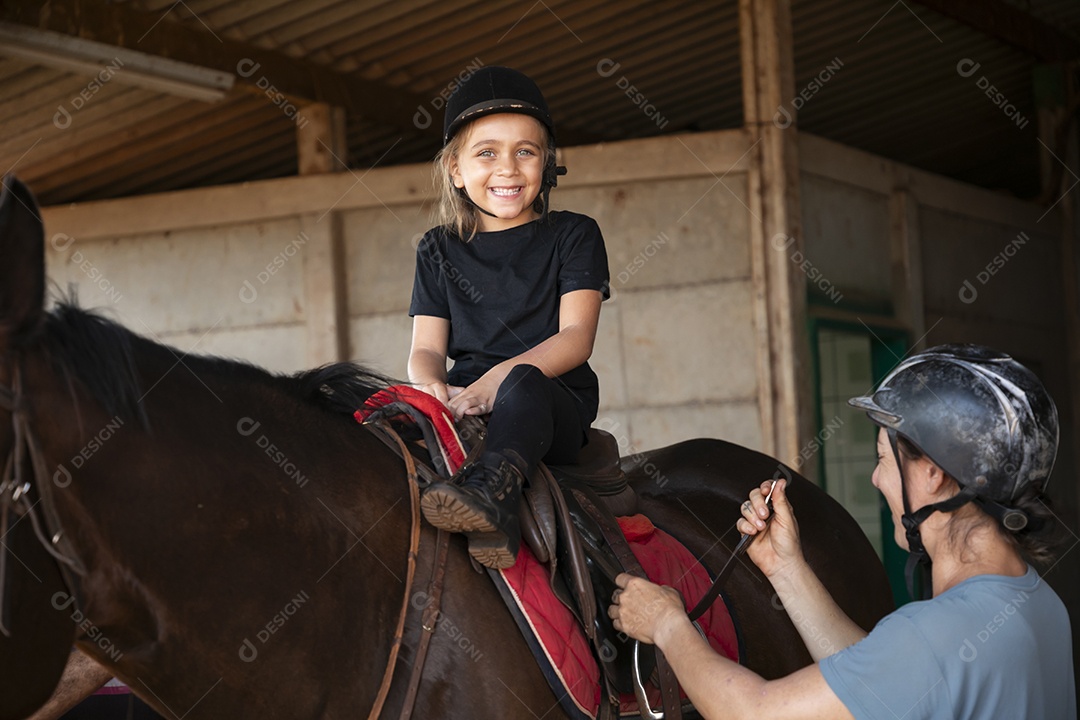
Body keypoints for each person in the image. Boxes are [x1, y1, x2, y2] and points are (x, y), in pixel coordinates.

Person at [608, 344, 1076, 719]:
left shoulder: (934, 636)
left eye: (883, 459)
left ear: (933, 474)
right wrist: (785, 568)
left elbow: (753, 712)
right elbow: (882, 679)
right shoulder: (1039, 603)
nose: (876, 479)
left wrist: (667, 623)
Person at [409, 66, 609, 569]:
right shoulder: (437, 248)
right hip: (467, 398)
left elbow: (576, 337)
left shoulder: (574, 235)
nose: (508, 168)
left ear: (547, 163)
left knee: (524, 382)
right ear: (455, 169)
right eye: (487, 153)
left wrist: (493, 385)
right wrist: (431, 387)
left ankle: (491, 497)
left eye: (525, 151)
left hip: (549, 403)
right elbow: (427, 349)